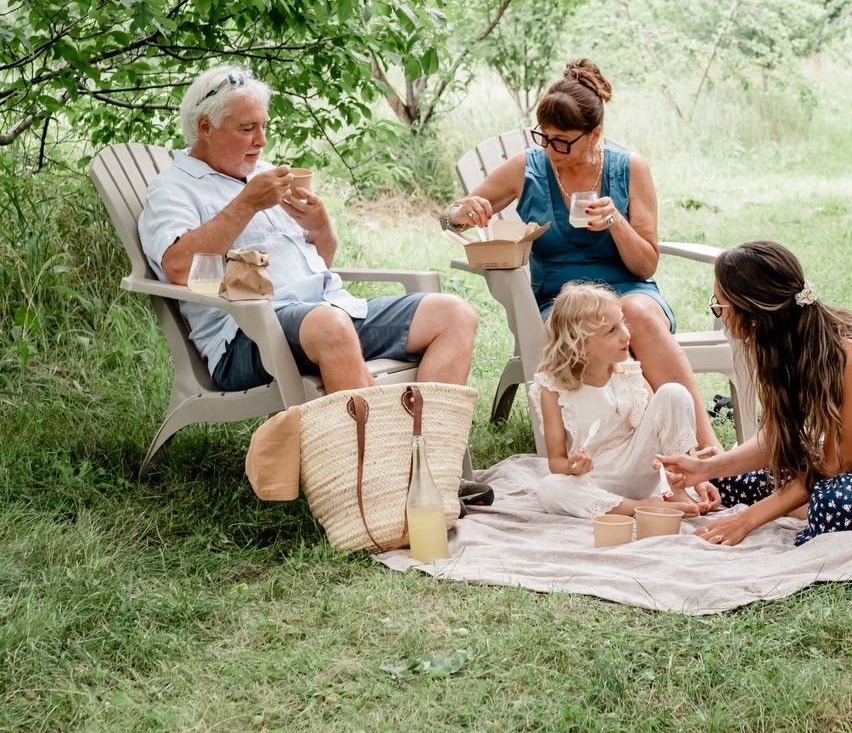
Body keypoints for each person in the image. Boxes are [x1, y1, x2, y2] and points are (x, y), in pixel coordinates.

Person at [139, 65, 477, 394]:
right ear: (205, 127)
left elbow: (323, 262)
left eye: (264, 126)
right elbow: (179, 267)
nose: (262, 140)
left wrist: (320, 226)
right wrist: (246, 204)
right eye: (247, 128)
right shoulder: (174, 188)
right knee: (330, 325)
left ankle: (429, 447)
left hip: (331, 309)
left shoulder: (265, 175)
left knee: (454, 315)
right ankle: (370, 449)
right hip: (247, 333)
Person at [441, 57, 718, 447]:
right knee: (592, 322)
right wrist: (459, 213)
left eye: (563, 141)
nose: (552, 149)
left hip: (631, 291)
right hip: (563, 301)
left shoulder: (630, 168)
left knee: (634, 313)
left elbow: (646, 264)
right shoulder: (528, 168)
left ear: (595, 133)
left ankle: (707, 452)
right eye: (545, 137)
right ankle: (630, 452)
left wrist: (616, 223)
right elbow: (453, 216)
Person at [659, 240, 852, 547]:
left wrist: (749, 519)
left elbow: (836, 466)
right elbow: (776, 439)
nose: (719, 315)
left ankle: (802, 508)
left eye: (720, 306)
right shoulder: (778, 350)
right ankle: (796, 506)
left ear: (754, 314)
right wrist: (708, 469)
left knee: (830, 500)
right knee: (726, 483)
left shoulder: (850, 352)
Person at [530, 283, 721, 518]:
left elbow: (662, 422)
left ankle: (678, 489)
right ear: (579, 345)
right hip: (597, 478)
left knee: (673, 393)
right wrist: (572, 466)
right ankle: (648, 508)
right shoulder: (552, 388)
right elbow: (556, 461)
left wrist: (694, 472)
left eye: (622, 322)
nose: (626, 334)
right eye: (611, 331)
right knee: (550, 488)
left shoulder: (628, 370)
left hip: (641, 467)